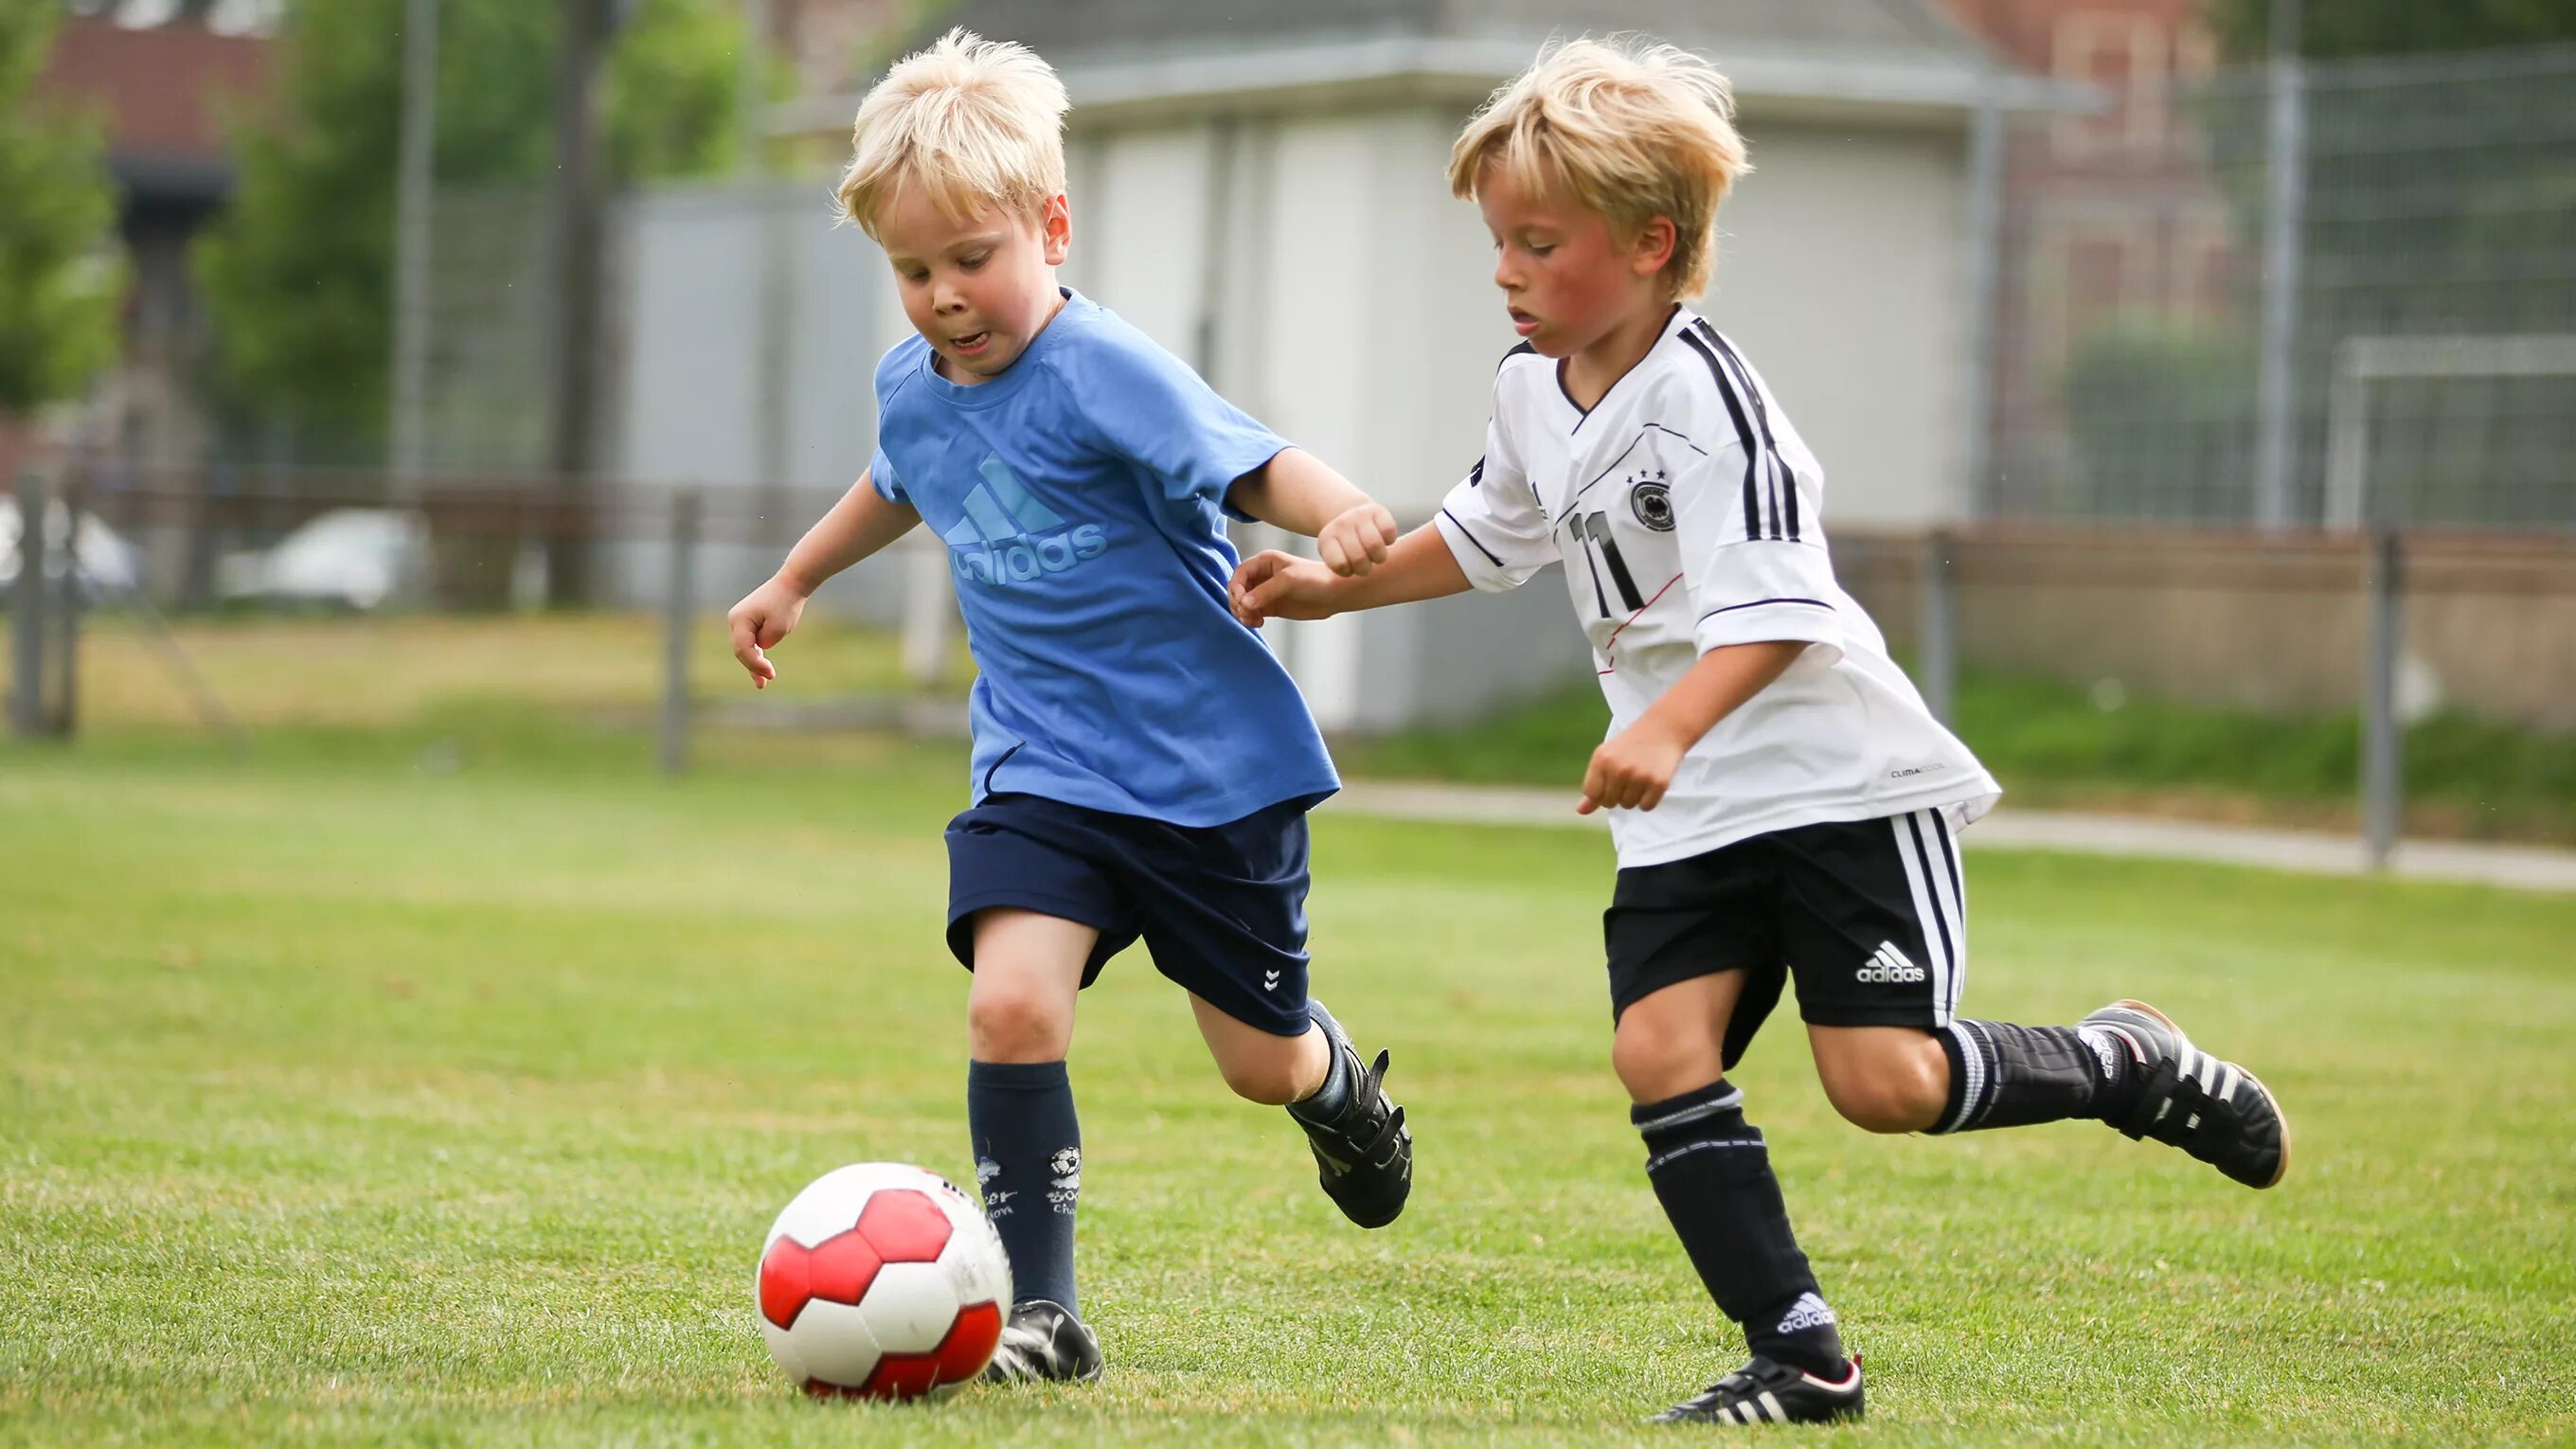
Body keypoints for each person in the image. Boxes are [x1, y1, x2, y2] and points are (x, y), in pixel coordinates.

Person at [1229, 36, 2289, 1426]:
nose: (1506, 271)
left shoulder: (1710, 405)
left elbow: (1782, 611)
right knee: (1658, 1050)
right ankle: (1802, 1356)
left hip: (1831, 783)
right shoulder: (1529, 389)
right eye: (1498, 241)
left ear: (1652, 243)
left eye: (1539, 244)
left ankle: (2126, 1062)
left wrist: (1664, 725)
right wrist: (1330, 583)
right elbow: (1495, 534)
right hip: (1693, 803)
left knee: (1887, 1083)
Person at [728, 28, 1414, 1386]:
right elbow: (899, 477)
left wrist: (1343, 517)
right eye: (913, 271)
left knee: (1258, 1062)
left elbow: (1254, 459)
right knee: (1011, 1010)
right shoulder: (910, 387)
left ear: (1051, 226)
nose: (943, 297)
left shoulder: (1108, 370)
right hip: (1044, 770)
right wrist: (795, 576)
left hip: (1210, 778)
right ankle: (1044, 1311)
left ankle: (1343, 1092)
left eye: (972, 260)